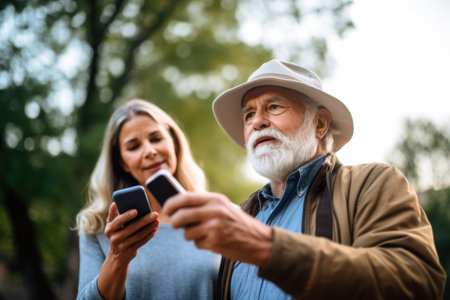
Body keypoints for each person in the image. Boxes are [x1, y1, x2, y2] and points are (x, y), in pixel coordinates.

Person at [163, 60, 446, 299]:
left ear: (320, 123)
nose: (256, 121)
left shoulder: (372, 183)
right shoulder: (242, 214)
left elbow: (418, 280)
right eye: (249, 114)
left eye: (273, 107)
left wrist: (266, 246)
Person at [76, 99, 220, 300]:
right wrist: (117, 257)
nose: (149, 151)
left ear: (174, 142)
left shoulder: (216, 214)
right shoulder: (98, 226)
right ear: (123, 163)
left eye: (156, 138)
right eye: (134, 146)